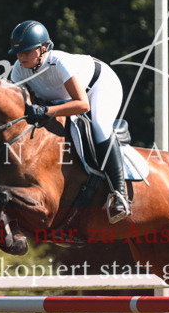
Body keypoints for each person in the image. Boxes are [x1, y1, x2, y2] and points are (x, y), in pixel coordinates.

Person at [7, 20, 131, 223]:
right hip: (64, 99)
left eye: (27, 51)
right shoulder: (18, 70)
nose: (21, 56)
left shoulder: (59, 62)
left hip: (99, 86)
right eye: (18, 53)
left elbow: (82, 105)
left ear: (44, 48)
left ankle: (120, 195)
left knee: (99, 126)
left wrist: (47, 110)